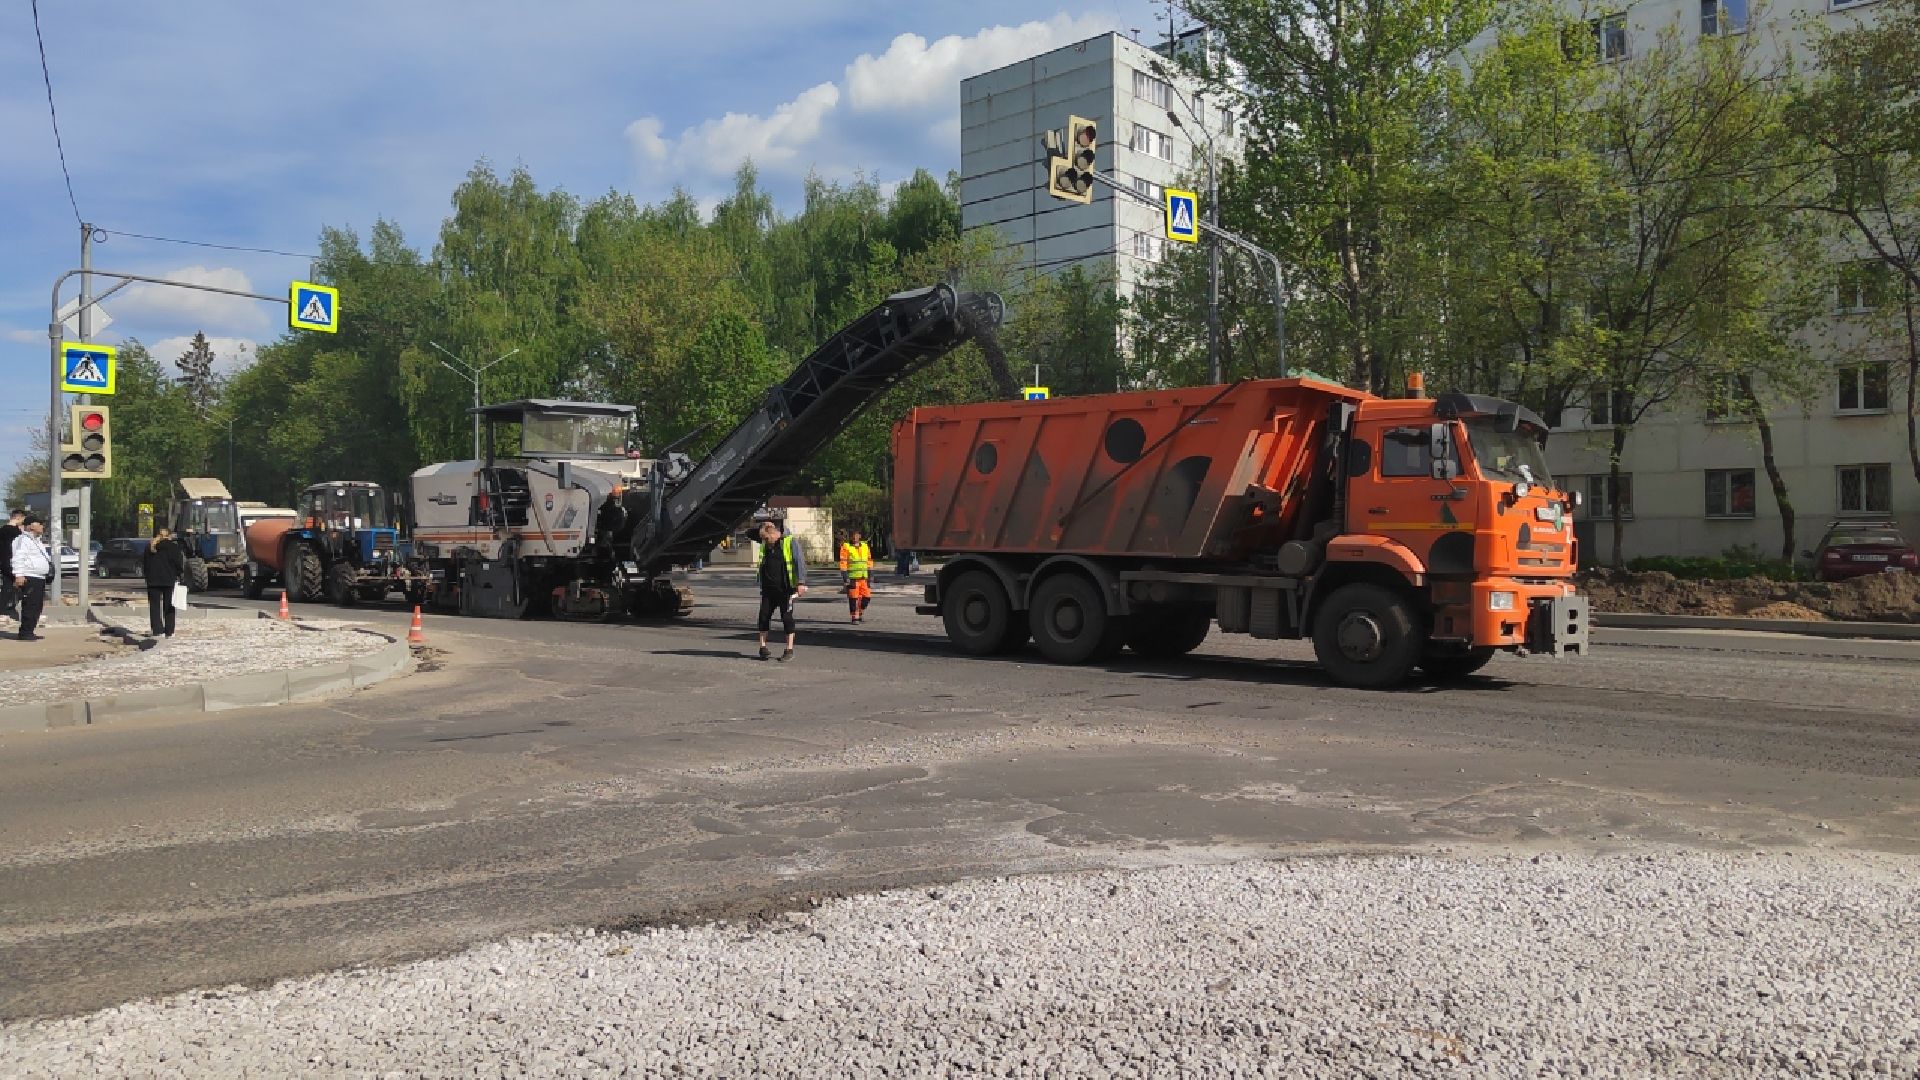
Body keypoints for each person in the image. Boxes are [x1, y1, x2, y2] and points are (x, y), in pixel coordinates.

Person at [754, 519, 807, 662]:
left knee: (787, 618)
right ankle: (763, 647)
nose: (765, 541)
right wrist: (763, 524)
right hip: (768, 589)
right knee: (763, 617)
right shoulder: (766, 545)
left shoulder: (790, 542)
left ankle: (789, 649)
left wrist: (801, 582)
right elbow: (749, 533)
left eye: (766, 537)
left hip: (785, 589)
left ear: (773, 533)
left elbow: (799, 562)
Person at [11, 516, 52, 641]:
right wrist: (19, 574)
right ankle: (25, 633)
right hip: (30, 576)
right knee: (30, 605)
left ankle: (30, 630)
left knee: (37, 605)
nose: (42, 526)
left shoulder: (36, 540)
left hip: (38, 577)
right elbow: (19, 557)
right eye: (39, 523)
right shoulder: (24, 540)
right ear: (30, 526)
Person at [142, 527, 188, 639]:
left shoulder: (150, 547)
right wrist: (178, 574)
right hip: (169, 580)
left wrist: (147, 577)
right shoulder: (173, 547)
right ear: (169, 536)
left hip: (153, 581)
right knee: (169, 606)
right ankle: (169, 631)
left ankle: (157, 630)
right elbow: (179, 564)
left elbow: (144, 564)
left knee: (154, 606)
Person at [839, 528, 873, 623]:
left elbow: (869, 561)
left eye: (856, 535)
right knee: (853, 598)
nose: (855, 537)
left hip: (864, 577)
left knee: (867, 597)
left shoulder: (865, 546)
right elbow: (843, 563)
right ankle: (855, 616)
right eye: (853, 535)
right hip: (852, 577)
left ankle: (860, 612)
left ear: (860, 536)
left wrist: (871, 575)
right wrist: (845, 578)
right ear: (850, 537)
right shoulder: (846, 547)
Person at [0, 508, 23, 623]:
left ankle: (4, 609)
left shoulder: (2, 530)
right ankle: (6, 609)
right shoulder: (16, 532)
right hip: (13, 562)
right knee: (18, 585)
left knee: (6, 585)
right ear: (18, 518)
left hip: (4, 562)